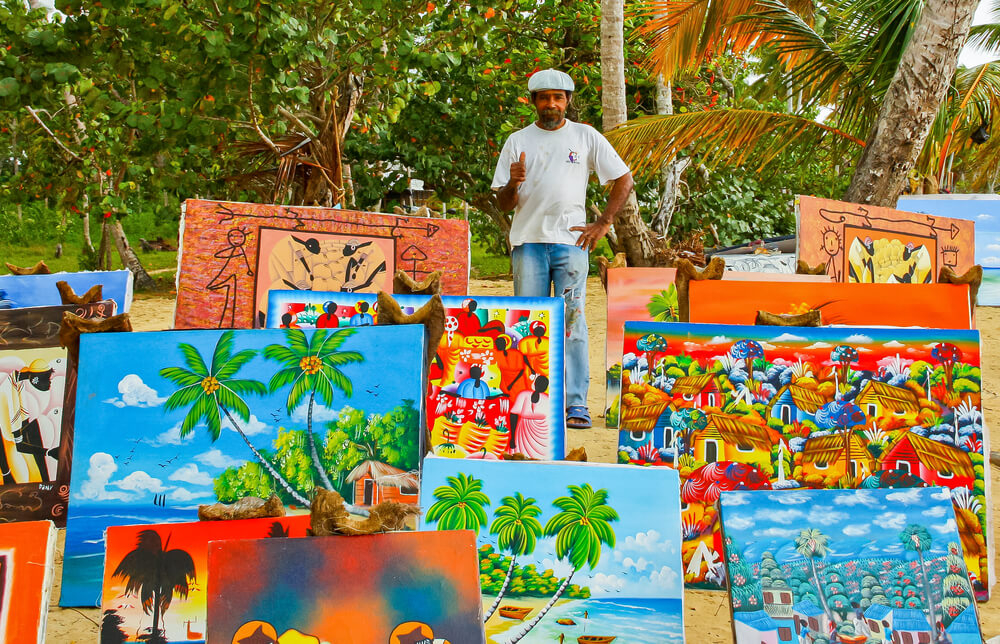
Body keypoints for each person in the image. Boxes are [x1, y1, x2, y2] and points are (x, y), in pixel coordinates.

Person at [492, 68, 634, 429]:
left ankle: (575, 405)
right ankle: (527, 402)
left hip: (571, 245)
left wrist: (603, 223)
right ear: (533, 102)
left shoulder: (585, 136)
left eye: (558, 97)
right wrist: (513, 183)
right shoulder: (517, 140)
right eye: (544, 97)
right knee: (526, 324)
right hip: (527, 244)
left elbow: (623, 178)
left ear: (568, 100)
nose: (551, 104)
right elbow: (504, 203)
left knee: (573, 324)